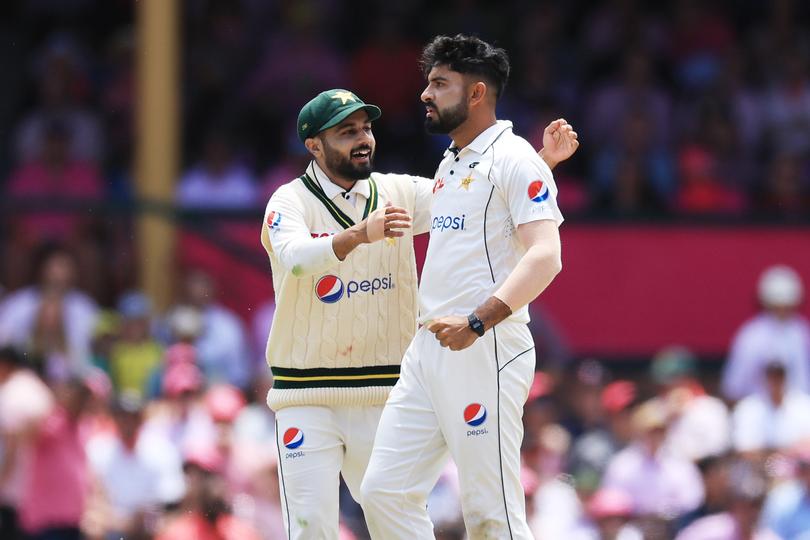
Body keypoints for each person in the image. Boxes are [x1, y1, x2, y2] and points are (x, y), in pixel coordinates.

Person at [262, 87, 577, 539]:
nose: (363, 138)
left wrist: (540, 164)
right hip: (306, 393)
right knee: (311, 530)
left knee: (394, 512)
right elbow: (295, 258)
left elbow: (476, 205)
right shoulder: (288, 201)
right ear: (314, 145)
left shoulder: (398, 191)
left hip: (383, 389)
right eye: (347, 132)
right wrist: (358, 235)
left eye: (366, 128)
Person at [360, 34, 577, 539]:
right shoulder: (453, 161)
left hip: (484, 346)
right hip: (430, 347)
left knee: (490, 513)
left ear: (476, 93)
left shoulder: (514, 156)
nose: (425, 94)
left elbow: (547, 256)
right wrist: (545, 166)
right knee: (383, 493)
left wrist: (478, 321)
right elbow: (490, 221)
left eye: (440, 83)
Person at [721, 265, 810, 401]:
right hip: (759, 409)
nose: (782, 311)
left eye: (787, 306)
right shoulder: (751, 336)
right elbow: (734, 386)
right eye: (777, 306)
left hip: (800, 411)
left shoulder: (802, 332)